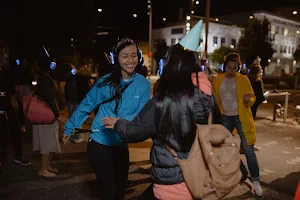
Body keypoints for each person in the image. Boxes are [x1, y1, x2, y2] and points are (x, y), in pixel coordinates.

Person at [102, 21, 254, 200]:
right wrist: (241, 171)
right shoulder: (208, 95)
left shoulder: (163, 99)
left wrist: (118, 123)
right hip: (201, 183)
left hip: (169, 188)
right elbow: (220, 136)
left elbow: (134, 132)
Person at [63, 37, 151, 200]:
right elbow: (87, 104)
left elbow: (142, 114)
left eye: (134, 55)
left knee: (120, 189)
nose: (130, 60)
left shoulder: (143, 84)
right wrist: (70, 127)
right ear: (117, 58)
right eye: (125, 56)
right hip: (99, 142)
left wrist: (120, 124)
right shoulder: (106, 82)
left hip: (121, 143)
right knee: (108, 191)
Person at [212, 52, 263, 196]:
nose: (231, 71)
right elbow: (215, 100)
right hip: (225, 118)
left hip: (241, 117)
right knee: (221, 147)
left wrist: (248, 99)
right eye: (229, 67)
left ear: (238, 68)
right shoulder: (218, 80)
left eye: (234, 68)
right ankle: (243, 174)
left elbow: (252, 98)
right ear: (225, 66)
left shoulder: (243, 79)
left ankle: (256, 181)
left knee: (248, 150)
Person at [32, 52, 66, 178]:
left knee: (51, 142)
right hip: (46, 115)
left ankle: (46, 165)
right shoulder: (45, 77)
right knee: (47, 143)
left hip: (48, 114)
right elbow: (49, 97)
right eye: (51, 63)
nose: (54, 65)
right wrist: (57, 114)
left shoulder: (45, 76)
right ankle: (42, 169)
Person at [0, 57, 31, 168]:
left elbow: (7, 87)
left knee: (15, 131)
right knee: (3, 134)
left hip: (7, 104)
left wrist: (14, 89)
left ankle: (18, 156)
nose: (5, 57)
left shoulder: (5, 70)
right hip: (2, 106)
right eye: (3, 54)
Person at [64, 65, 91, 143]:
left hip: (77, 101)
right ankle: (74, 136)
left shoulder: (79, 78)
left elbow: (86, 89)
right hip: (72, 101)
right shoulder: (70, 79)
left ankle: (77, 137)